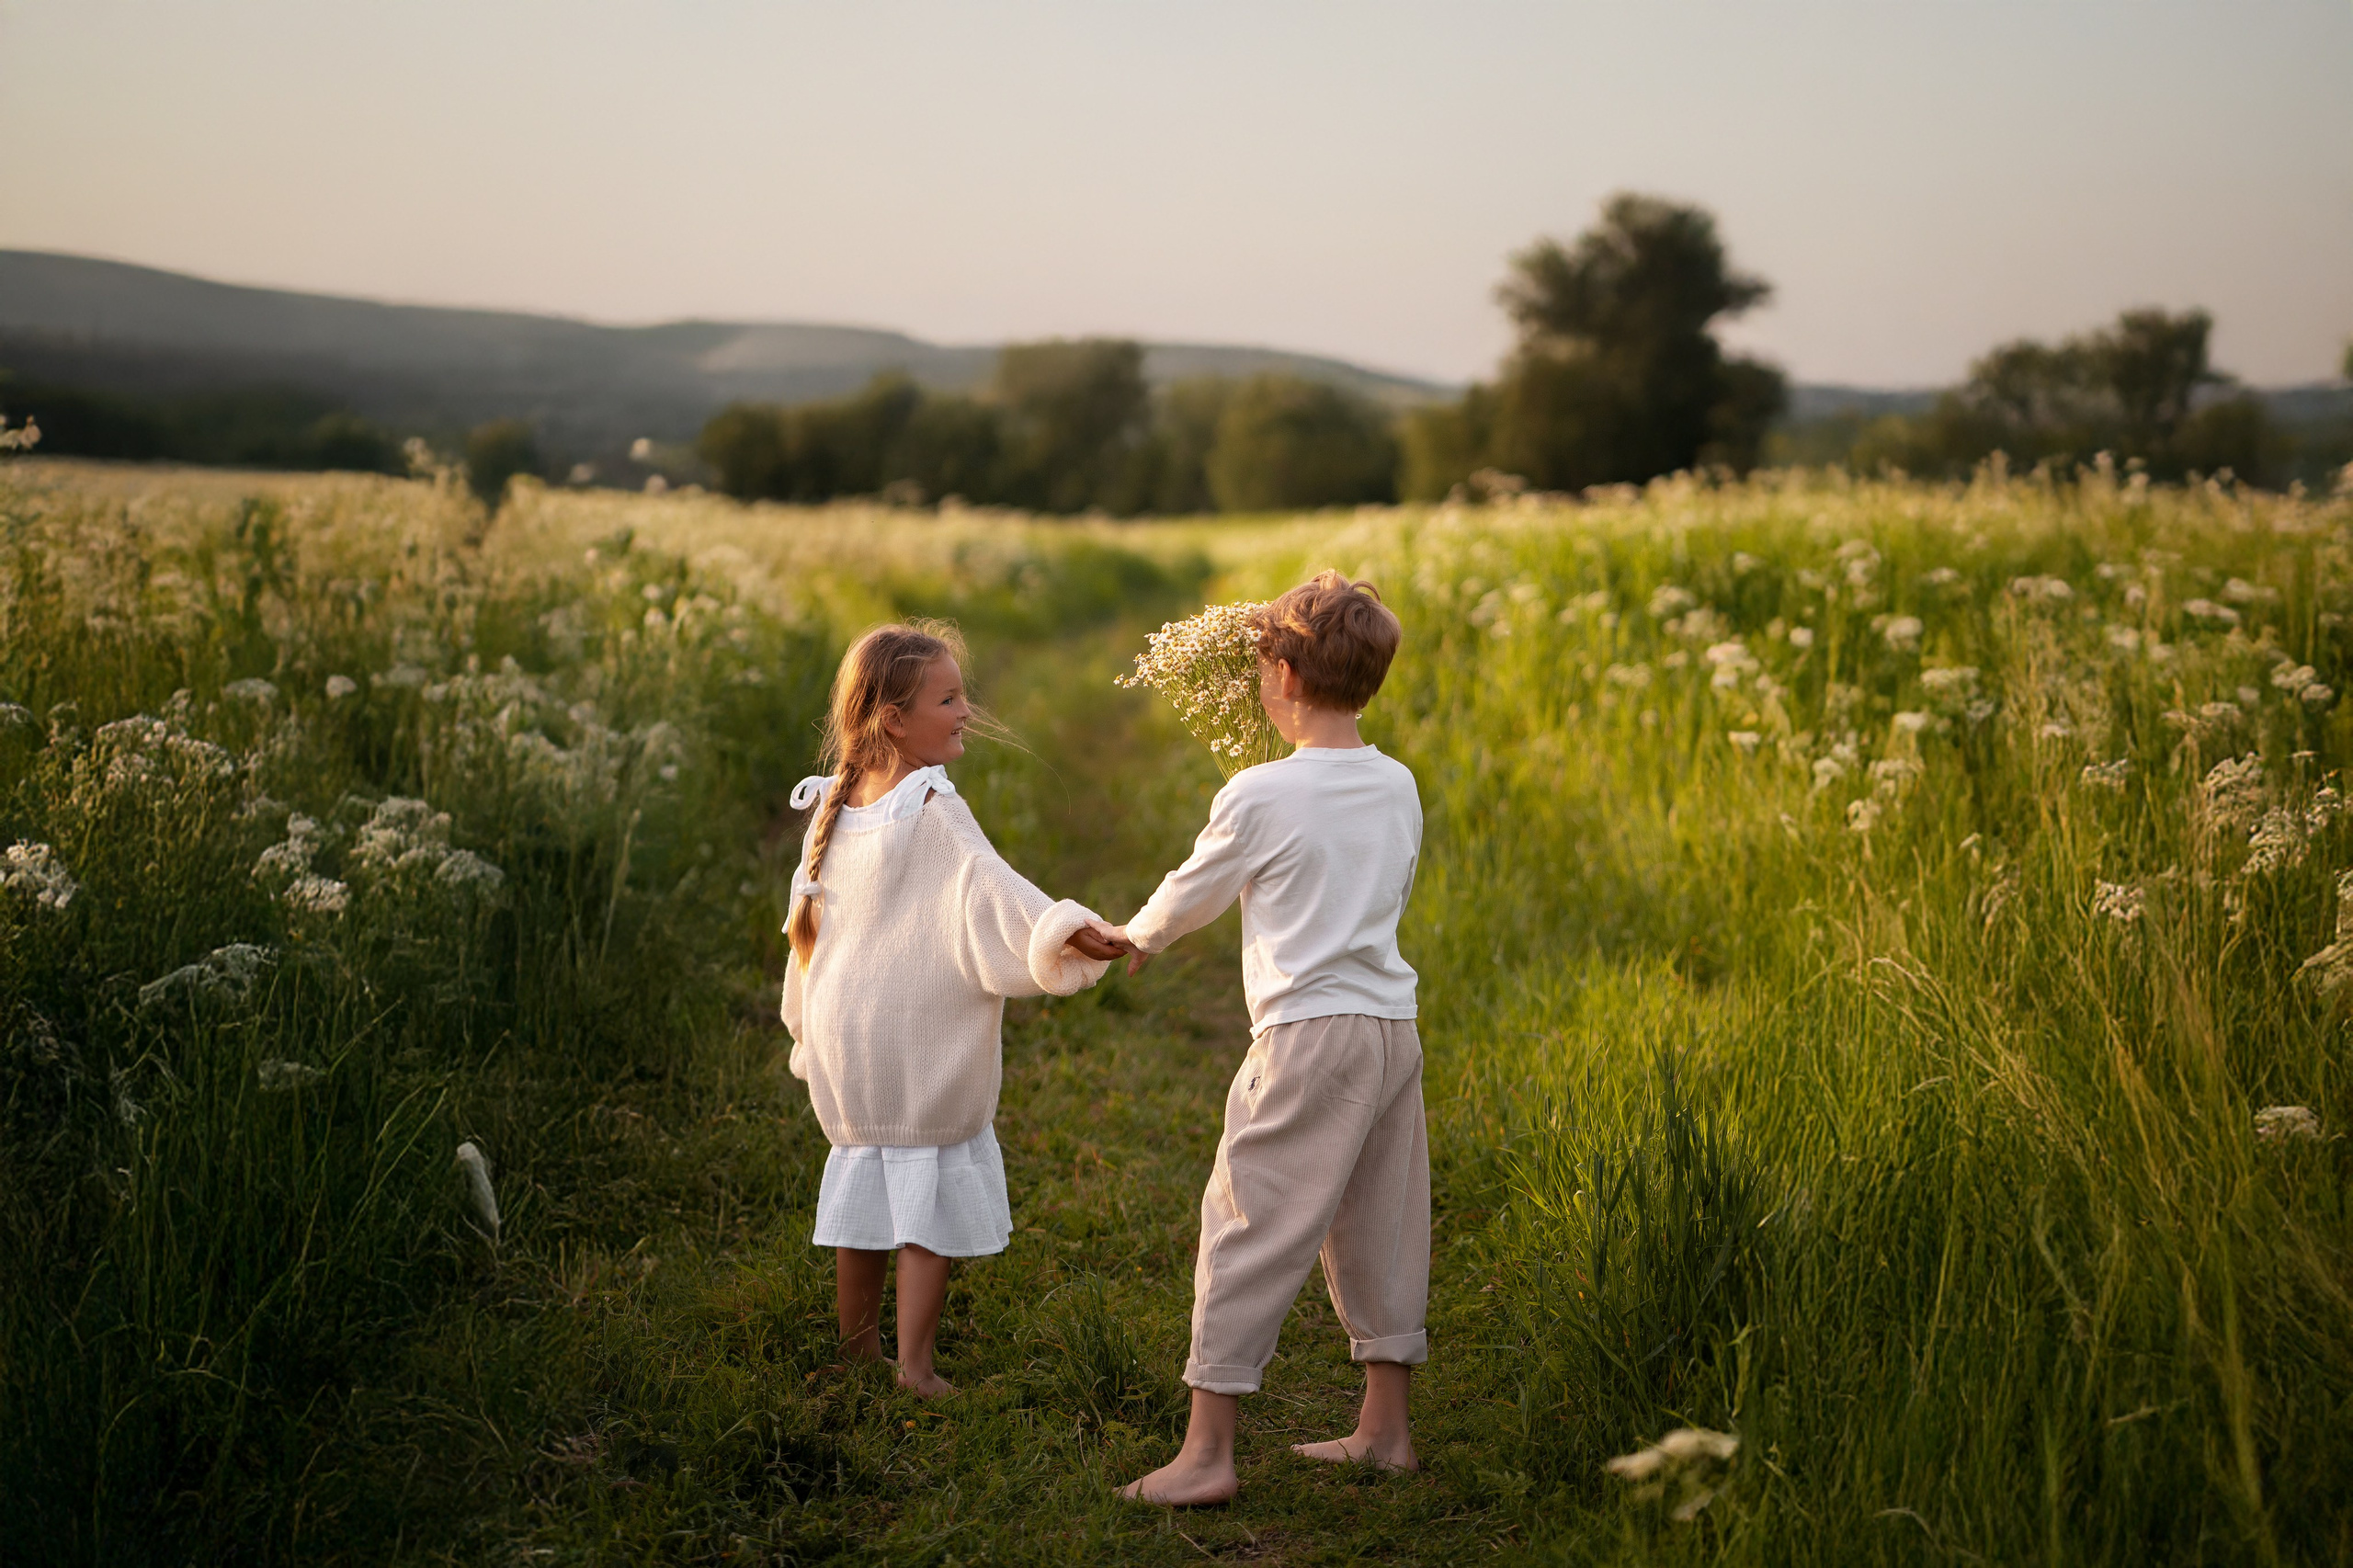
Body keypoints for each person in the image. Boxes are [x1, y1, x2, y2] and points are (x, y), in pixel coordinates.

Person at [1107, 572, 1427, 1505]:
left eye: (1259, 663)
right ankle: (1385, 1428)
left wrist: (1138, 934)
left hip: (1303, 1035)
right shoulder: (1397, 781)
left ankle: (1206, 1453)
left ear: (1283, 674)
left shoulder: (1259, 792)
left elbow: (1194, 886)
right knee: (1384, 1217)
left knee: (1247, 1220)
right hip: (1389, 1028)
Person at [780, 620, 1124, 1397]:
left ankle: (857, 1354)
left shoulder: (833, 804)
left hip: (849, 1039)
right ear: (895, 720)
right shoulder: (932, 805)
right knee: (925, 1200)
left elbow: (805, 929)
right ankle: (917, 1368)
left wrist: (804, 1017)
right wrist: (1068, 930)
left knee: (864, 1183)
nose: (967, 710)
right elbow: (993, 889)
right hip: (915, 1041)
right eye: (949, 698)